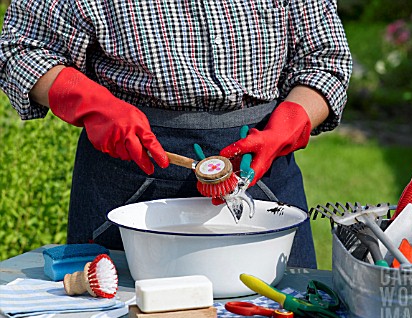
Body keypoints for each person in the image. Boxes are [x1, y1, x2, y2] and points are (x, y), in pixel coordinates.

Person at [0, 0, 352, 269]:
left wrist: (293, 119)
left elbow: (326, 58)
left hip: (263, 169)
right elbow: (20, 49)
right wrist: (90, 104)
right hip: (130, 176)